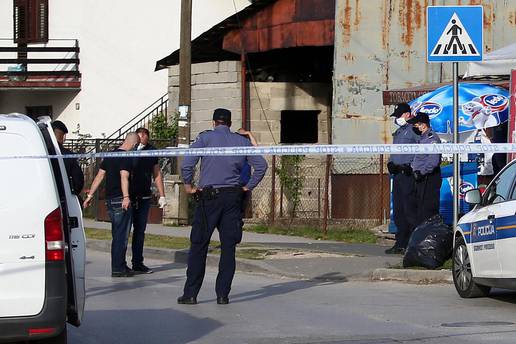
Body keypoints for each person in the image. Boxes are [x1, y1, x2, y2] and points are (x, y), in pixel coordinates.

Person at [177, 108, 268, 305]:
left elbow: (187, 164)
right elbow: (261, 166)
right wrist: (247, 187)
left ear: (214, 123)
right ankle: (222, 295)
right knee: (228, 248)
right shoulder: (241, 141)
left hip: (208, 198)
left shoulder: (205, 139)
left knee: (199, 245)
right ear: (229, 123)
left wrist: (188, 185)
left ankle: (191, 294)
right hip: (232, 199)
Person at [83, 132, 140, 277]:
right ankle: (118, 268)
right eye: (137, 145)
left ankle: (120, 265)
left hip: (110, 200)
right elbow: (124, 176)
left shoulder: (110, 155)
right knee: (121, 235)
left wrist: (90, 195)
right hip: (120, 200)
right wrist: (126, 197)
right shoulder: (126, 157)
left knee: (117, 234)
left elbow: (99, 176)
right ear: (133, 144)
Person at [130, 127, 167, 274]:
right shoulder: (130, 149)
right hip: (129, 195)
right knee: (124, 230)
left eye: (143, 137)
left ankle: (137, 262)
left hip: (144, 195)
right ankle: (119, 264)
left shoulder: (151, 151)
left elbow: (157, 173)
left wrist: (162, 194)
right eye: (138, 137)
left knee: (140, 232)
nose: (140, 140)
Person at [385, 103, 420, 255]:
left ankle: (413, 244)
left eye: (399, 116)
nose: (397, 119)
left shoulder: (413, 130)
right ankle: (400, 243)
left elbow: (421, 150)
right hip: (397, 174)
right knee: (398, 210)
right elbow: (395, 151)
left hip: (408, 174)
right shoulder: (399, 132)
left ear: (407, 114)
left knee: (409, 210)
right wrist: (390, 163)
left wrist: (411, 166)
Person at [408, 112, 442, 226]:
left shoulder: (431, 138)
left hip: (429, 177)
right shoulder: (421, 138)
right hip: (420, 178)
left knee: (428, 209)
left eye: (416, 125)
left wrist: (422, 172)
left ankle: (428, 236)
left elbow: (433, 160)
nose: (415, 127)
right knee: (420, 209)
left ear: (423, 125)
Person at [51, 120, 84, 196]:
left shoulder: (42, 152)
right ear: (64, 136)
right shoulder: (67, 155)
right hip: (63, 197)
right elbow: (78, 180)